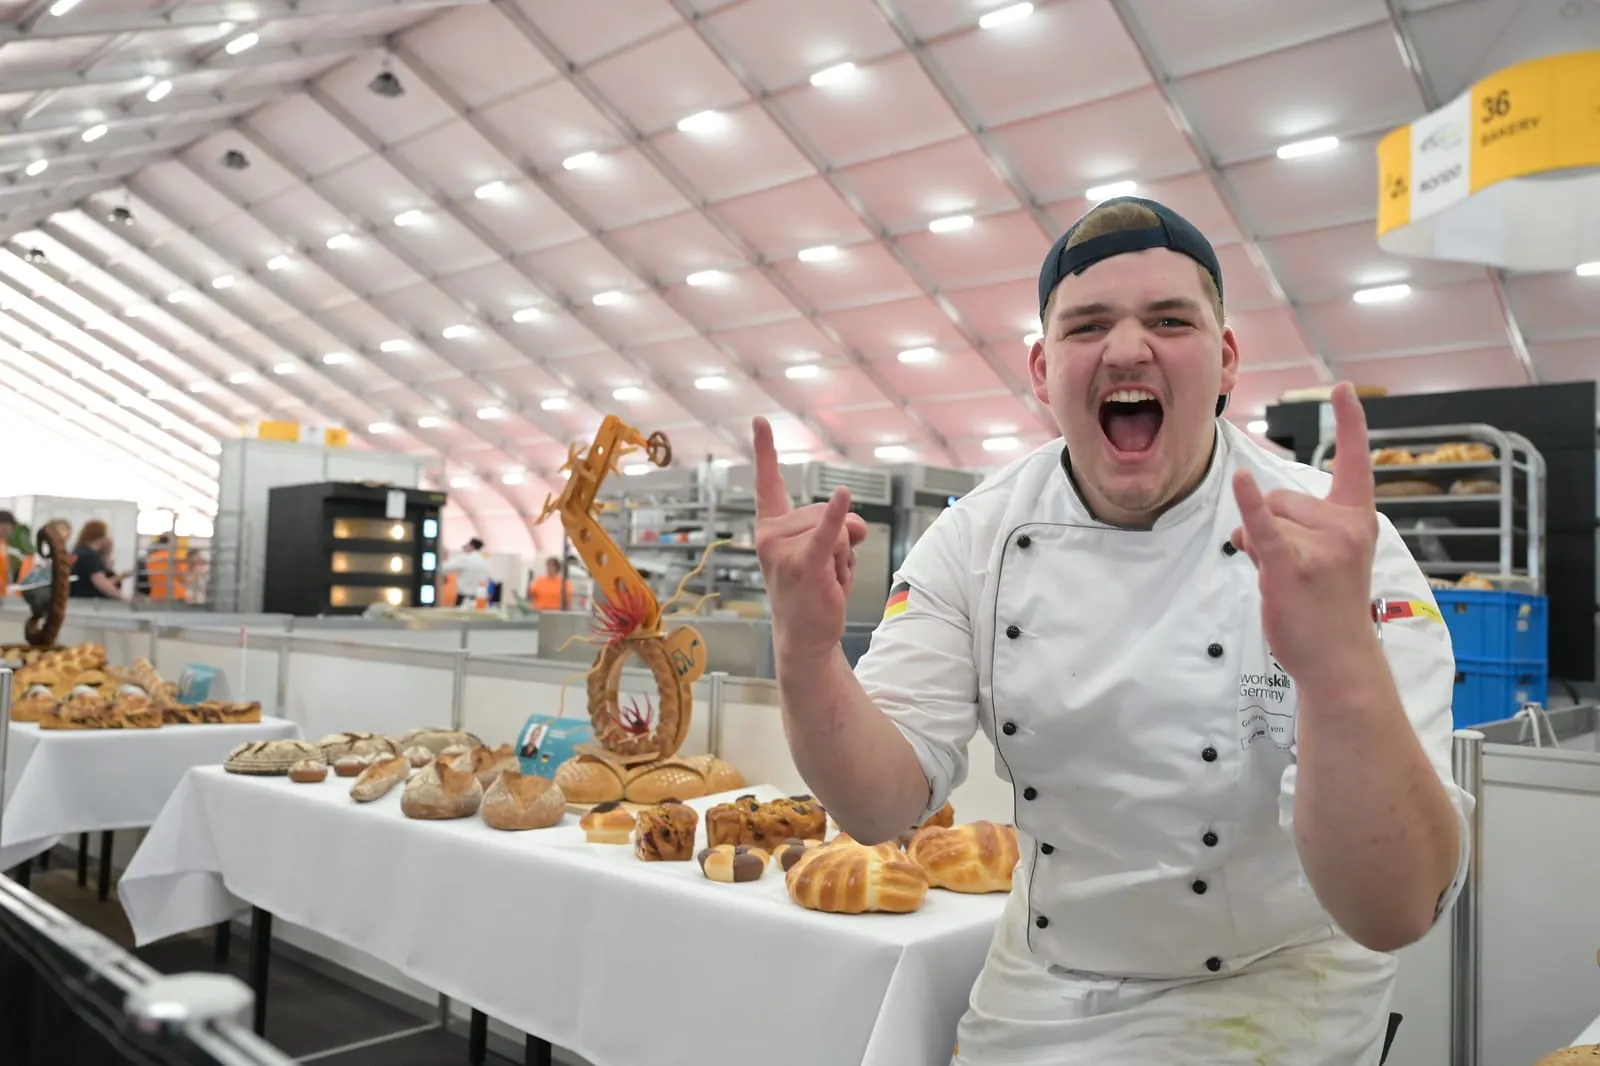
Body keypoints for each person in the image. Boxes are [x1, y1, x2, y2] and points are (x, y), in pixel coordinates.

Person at [750, 196, 1470, 1065]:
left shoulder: (1337, 544)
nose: (1127, 349)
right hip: (1041, 992)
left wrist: (1339, 667)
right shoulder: (975, 538)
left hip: (1280, 993)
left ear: (1226, 359)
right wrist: (806, 653)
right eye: (1088, 326)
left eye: (1169, 320)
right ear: (1042, 367)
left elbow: (1395, 909)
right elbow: (878, 807)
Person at [69, 519, 127, 601]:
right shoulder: (90, 555)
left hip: (75, 598)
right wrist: (123, 598)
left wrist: (107, 553)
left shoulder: (79, 551)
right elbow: (101, 582)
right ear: (101, 536)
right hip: (88, 601)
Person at [437, 537, 492, 606]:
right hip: (480, 600)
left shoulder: (465, 558)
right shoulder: (486, 561)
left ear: (471, 546)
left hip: (465, 600)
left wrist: (441, 558)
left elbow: (441, 568)